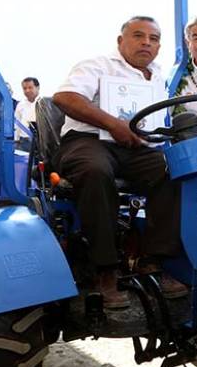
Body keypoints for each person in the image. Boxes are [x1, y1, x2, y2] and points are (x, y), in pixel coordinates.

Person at [53, 16, 187, 308]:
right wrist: (113, 124)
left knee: (176, 170)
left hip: (135, 147)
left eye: (153, 39)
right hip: (88, 142)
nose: (146, 43)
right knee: (96, 172)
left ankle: (152, 260)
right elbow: (64, 97)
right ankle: (105, 270)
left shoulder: (158, 74)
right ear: (120, 40)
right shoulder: (98, 66)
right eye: (139, 36)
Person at [14, 77, 41, 151]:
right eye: (24, 88)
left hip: (39, 141)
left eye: (30, 87)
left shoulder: (43, 103)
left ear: (38, 87)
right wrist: (16, 140)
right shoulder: (20, 104)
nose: (27, 90)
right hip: (23, 141)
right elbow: (17, 123)